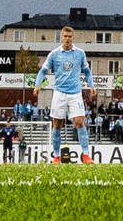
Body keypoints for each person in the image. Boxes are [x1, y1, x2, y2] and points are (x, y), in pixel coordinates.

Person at [34, 26, 96, 163]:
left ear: (73, 37)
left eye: (70, 36)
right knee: (57, 124)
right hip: (59, 93)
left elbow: (87, 71)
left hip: (75, 93)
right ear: (61, 37)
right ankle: (56, 156)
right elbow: (43, 71)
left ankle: (85, 155)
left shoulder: (80, 53)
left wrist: (91, 85)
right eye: (65, 36)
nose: (67, 39)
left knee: (80, 122)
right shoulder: (54, 54)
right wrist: (38, 85)